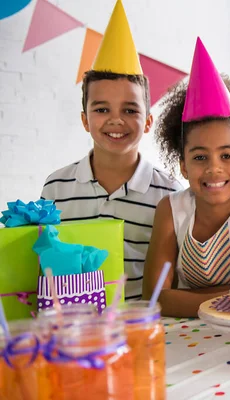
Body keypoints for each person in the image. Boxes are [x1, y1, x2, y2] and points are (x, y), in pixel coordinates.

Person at [41, 0, 182, 300]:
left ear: (147, 122)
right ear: (84, 120)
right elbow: (45, 266)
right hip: (75, 329)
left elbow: (175, 274)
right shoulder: (55, 188)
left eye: (130, 109)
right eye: (102, 108)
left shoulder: (169, 194)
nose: (116, 119)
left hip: (142, 327)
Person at [142, 37, 230, 317]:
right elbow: (154, 298)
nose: (214, 169)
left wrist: (182, 298)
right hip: (183, 337)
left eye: (227, 156)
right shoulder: (170, 210)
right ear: (184, 166)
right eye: (200, 157)